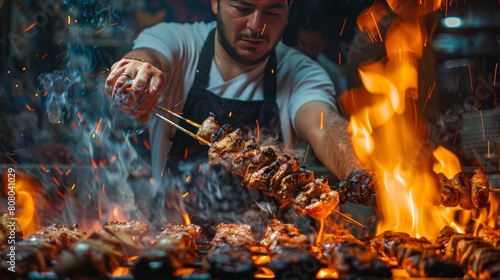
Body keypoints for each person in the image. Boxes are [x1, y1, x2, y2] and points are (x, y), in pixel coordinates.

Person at [105, 0, 372, 237]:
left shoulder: (302, 72)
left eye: (272, 10)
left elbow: (326, 127)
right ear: (215, 3)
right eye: (242, 8)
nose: (257, 26)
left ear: (288, 11)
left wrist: (362, 177)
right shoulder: (178, 42)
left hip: (266, 252)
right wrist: (135, 70)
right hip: (172, 239)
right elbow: (148, 56)